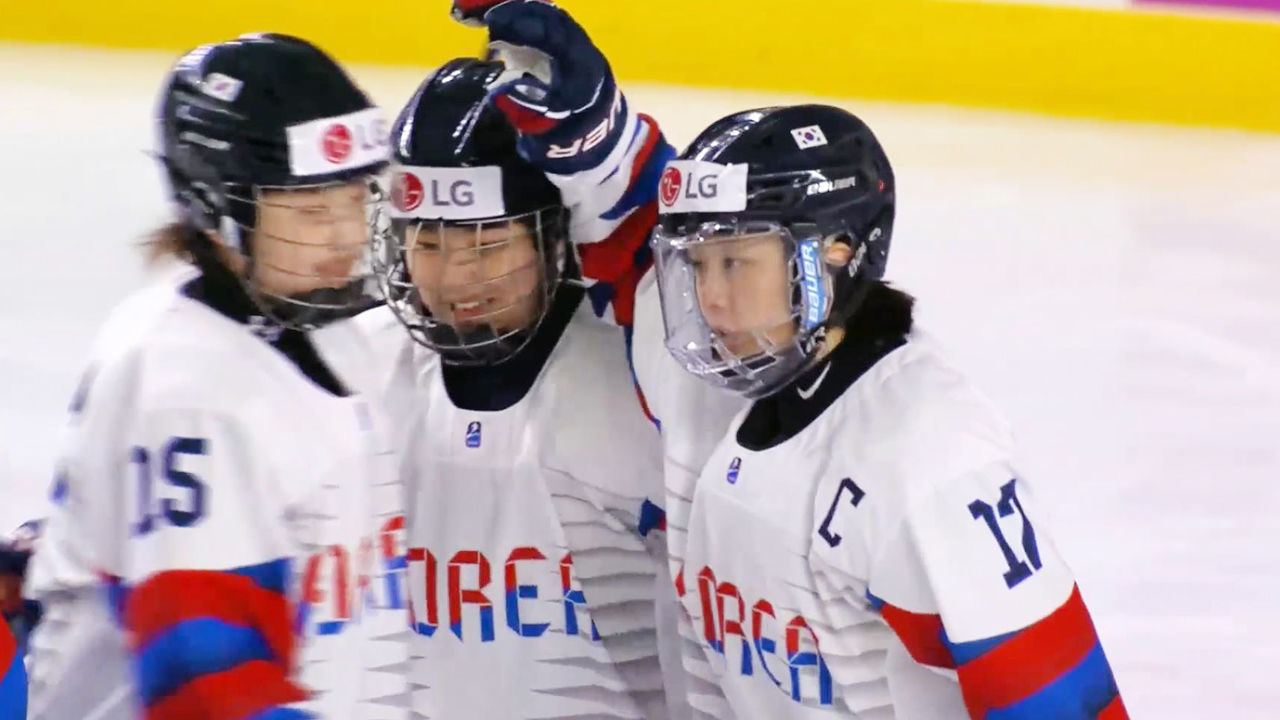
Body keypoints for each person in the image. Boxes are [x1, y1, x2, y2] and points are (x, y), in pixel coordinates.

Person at [456, 2, 1128, 717]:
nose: (709, 299)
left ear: (835, 254)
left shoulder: (926, 459)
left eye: (736, 263)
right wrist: (586, 127)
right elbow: (631, 232)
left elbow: (1065, 703)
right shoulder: (706, 374)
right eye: (697, 265)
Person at [22, 33, 408, 720]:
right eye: (312, 211)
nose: (348, 236)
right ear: (218, 209)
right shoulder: (186, 390)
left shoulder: (327, 333)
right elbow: (201, 683)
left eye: (356, 197)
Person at [356, 56, 686, 719]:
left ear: (552, 237)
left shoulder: (644, 381)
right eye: (428, 243)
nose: (454, 279)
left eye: (486, 245)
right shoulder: (359, 374)